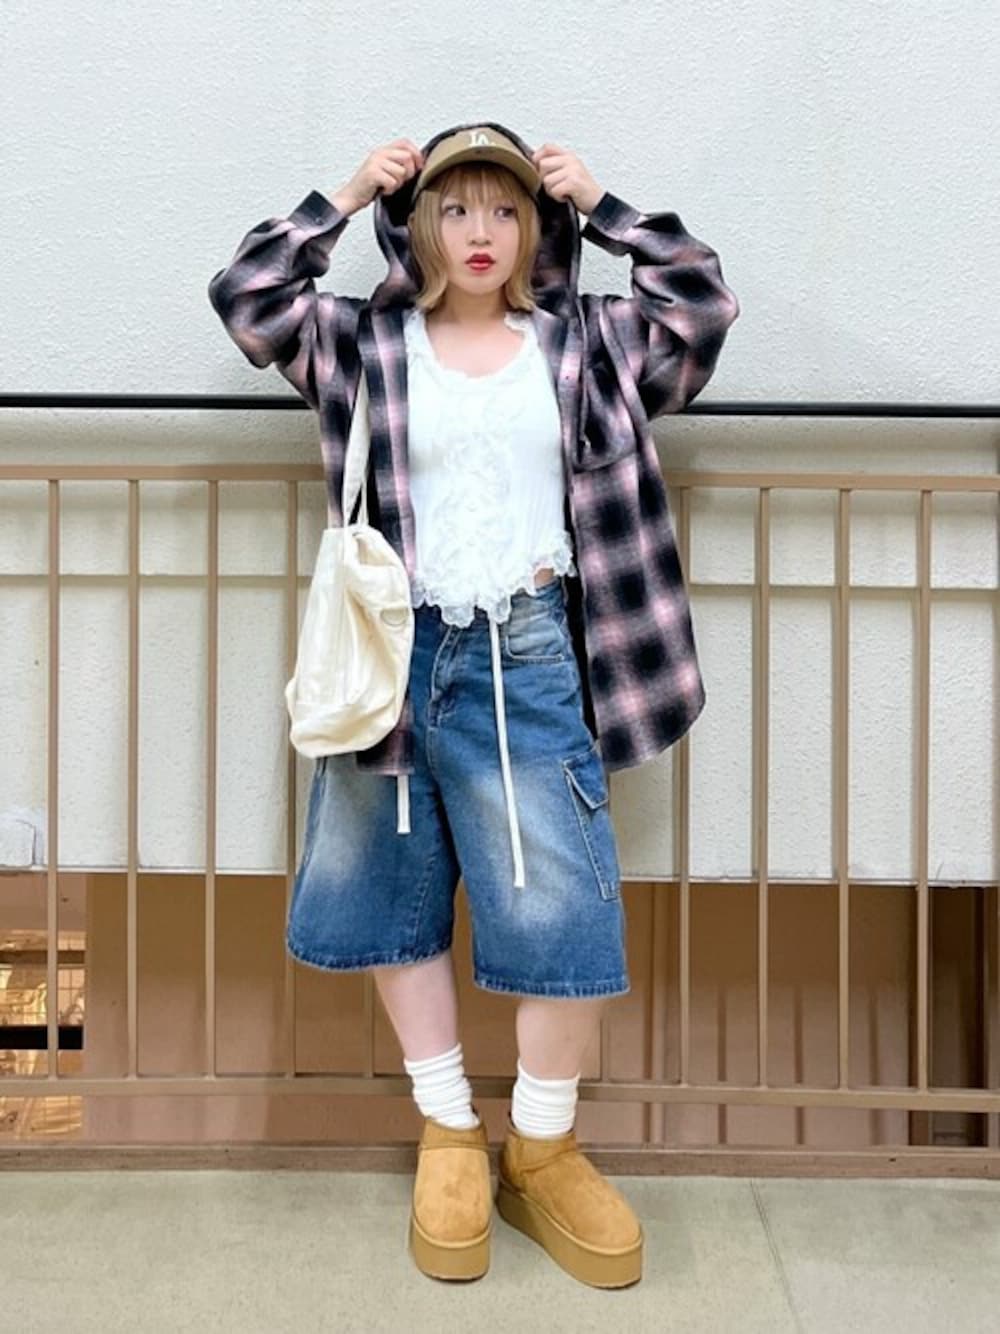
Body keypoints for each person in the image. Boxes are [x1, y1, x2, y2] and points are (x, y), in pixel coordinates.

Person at [208, 120, 740, 1288]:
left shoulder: (587, 342)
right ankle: (448, 1128)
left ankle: (541, 1148)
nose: (482, 232)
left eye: (506, 208)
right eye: (456, 209)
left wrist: (605, 203)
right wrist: (349, 191)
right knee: (387, 888)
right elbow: (248, 296)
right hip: (394, 650)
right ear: (421, 228)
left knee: (560, 908)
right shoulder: (365, 344)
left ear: (538, 229)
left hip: (533, 648)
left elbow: (701, 306)